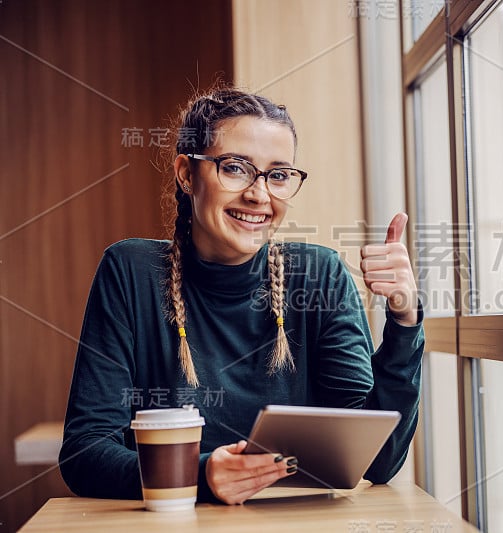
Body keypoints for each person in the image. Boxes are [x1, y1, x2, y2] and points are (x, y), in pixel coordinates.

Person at [59, 88, 424, 505]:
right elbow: (85, 452)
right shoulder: (130, 272)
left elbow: (376, 460)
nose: (259, 194)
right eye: (235, 169)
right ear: (185, 173)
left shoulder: (319, 276)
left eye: (279, 174)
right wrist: (201, 476)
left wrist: (404, 319)